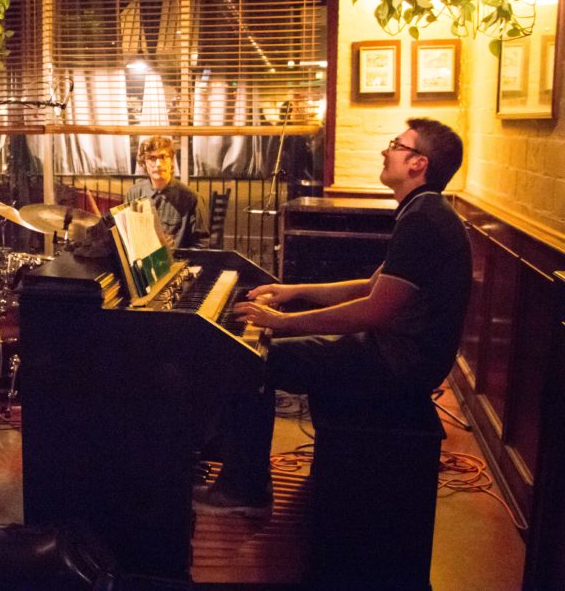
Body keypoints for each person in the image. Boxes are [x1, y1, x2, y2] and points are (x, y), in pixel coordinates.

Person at [195, 118, 472, 516]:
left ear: (418, 164)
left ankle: (244, 489)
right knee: (256, 350)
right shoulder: (423, 210)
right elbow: (369, 287)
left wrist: (283, 322)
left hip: (399, 365)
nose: (385, 150)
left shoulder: (424, 220)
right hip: (398, 356)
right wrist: (295, 292)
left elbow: (374, 311)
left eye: (396, 144)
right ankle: (240, 472)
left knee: (249, 361)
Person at [125, 135, 209, 250]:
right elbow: (127, 236)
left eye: (163, 157)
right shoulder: (134, 194)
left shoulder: (191, 198)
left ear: (172, 160)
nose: (158, 164)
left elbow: (201, 243)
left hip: (178, 264)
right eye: (151, 158)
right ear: (144, 163)